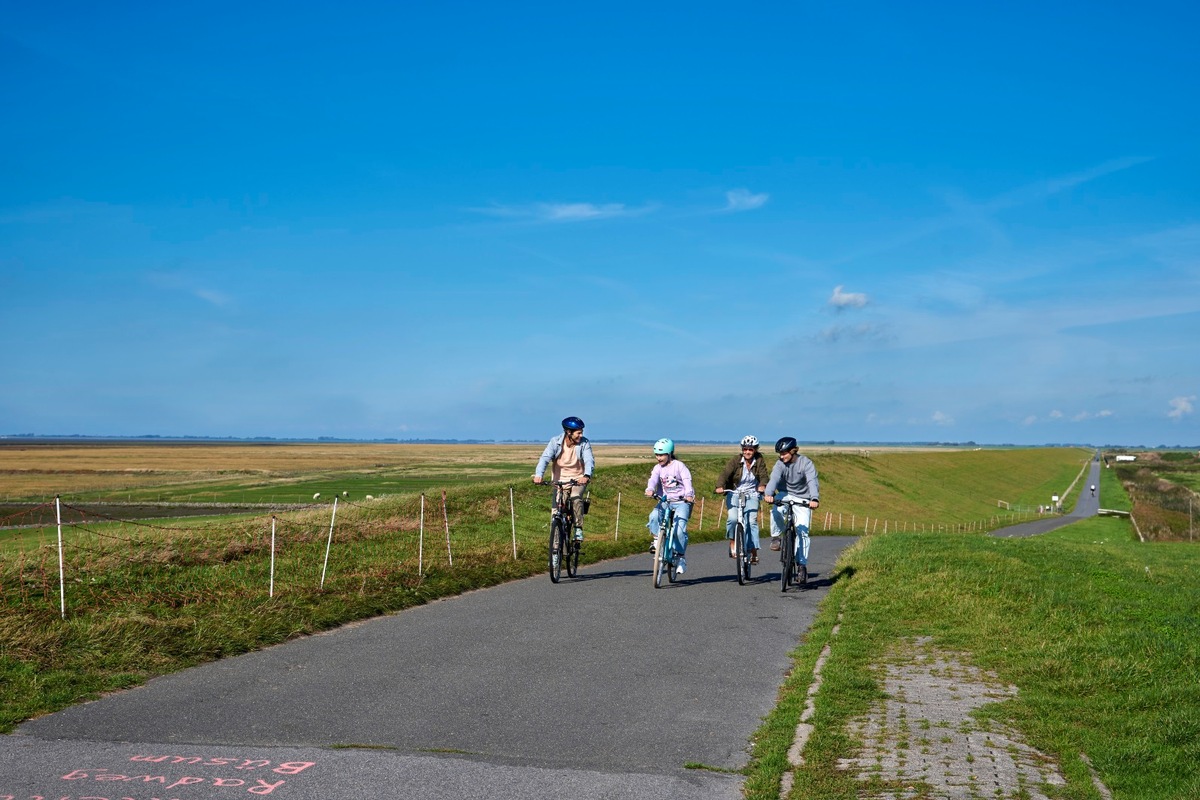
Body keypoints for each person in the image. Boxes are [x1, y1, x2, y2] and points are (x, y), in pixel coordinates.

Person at [533, 416, 594, 541]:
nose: (581, 435)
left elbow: (589, 460)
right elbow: (545, 458)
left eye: (582, 432)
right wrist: (539, 475)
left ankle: (578, 528)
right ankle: (556, 545)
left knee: (576, 498)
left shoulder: (584, 443)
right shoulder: (555, 442)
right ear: (568, 432)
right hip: (559, 481)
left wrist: (586, 475)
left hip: (578, 480)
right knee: (556, 512)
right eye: (578, 432)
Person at [764, 436, 820, 570]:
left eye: (784, 453)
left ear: (793, 451)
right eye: (780, 454)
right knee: (775, 511)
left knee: (803, 532)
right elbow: (774, 479)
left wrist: (814, 499)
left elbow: (812, 481)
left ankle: (802, 565)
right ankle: (776, 537)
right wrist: (768, 494)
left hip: (803, 498)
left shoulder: (806, 463)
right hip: (785, 494)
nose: (782, 457)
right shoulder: (780, 464)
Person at [644, 438, 695, 578]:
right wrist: (650, 489)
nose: (658, 458)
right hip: (665, 501)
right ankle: (657, 540)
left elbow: (686, 480)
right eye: (656, 455)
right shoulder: (657, 468)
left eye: (661, 455)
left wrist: (689, 495)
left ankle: (680, 557)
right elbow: (653, 479)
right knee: (654, 516)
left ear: (670, 454)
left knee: (679, 530)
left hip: (681, 501)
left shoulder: (679, 466)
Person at [715, 435, 769, 564]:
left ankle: (753, 550)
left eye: (750, 449)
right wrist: (719, 486)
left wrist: (762, 485)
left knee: (752, 521)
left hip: (752, 493)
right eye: (745, 449)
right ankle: (733, 541)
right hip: (735, 492)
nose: (747, 452)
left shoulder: (759, 460)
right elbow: (725, 473)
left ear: (755, 450)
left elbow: (764, 475)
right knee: (733, 518)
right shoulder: (735, 460)